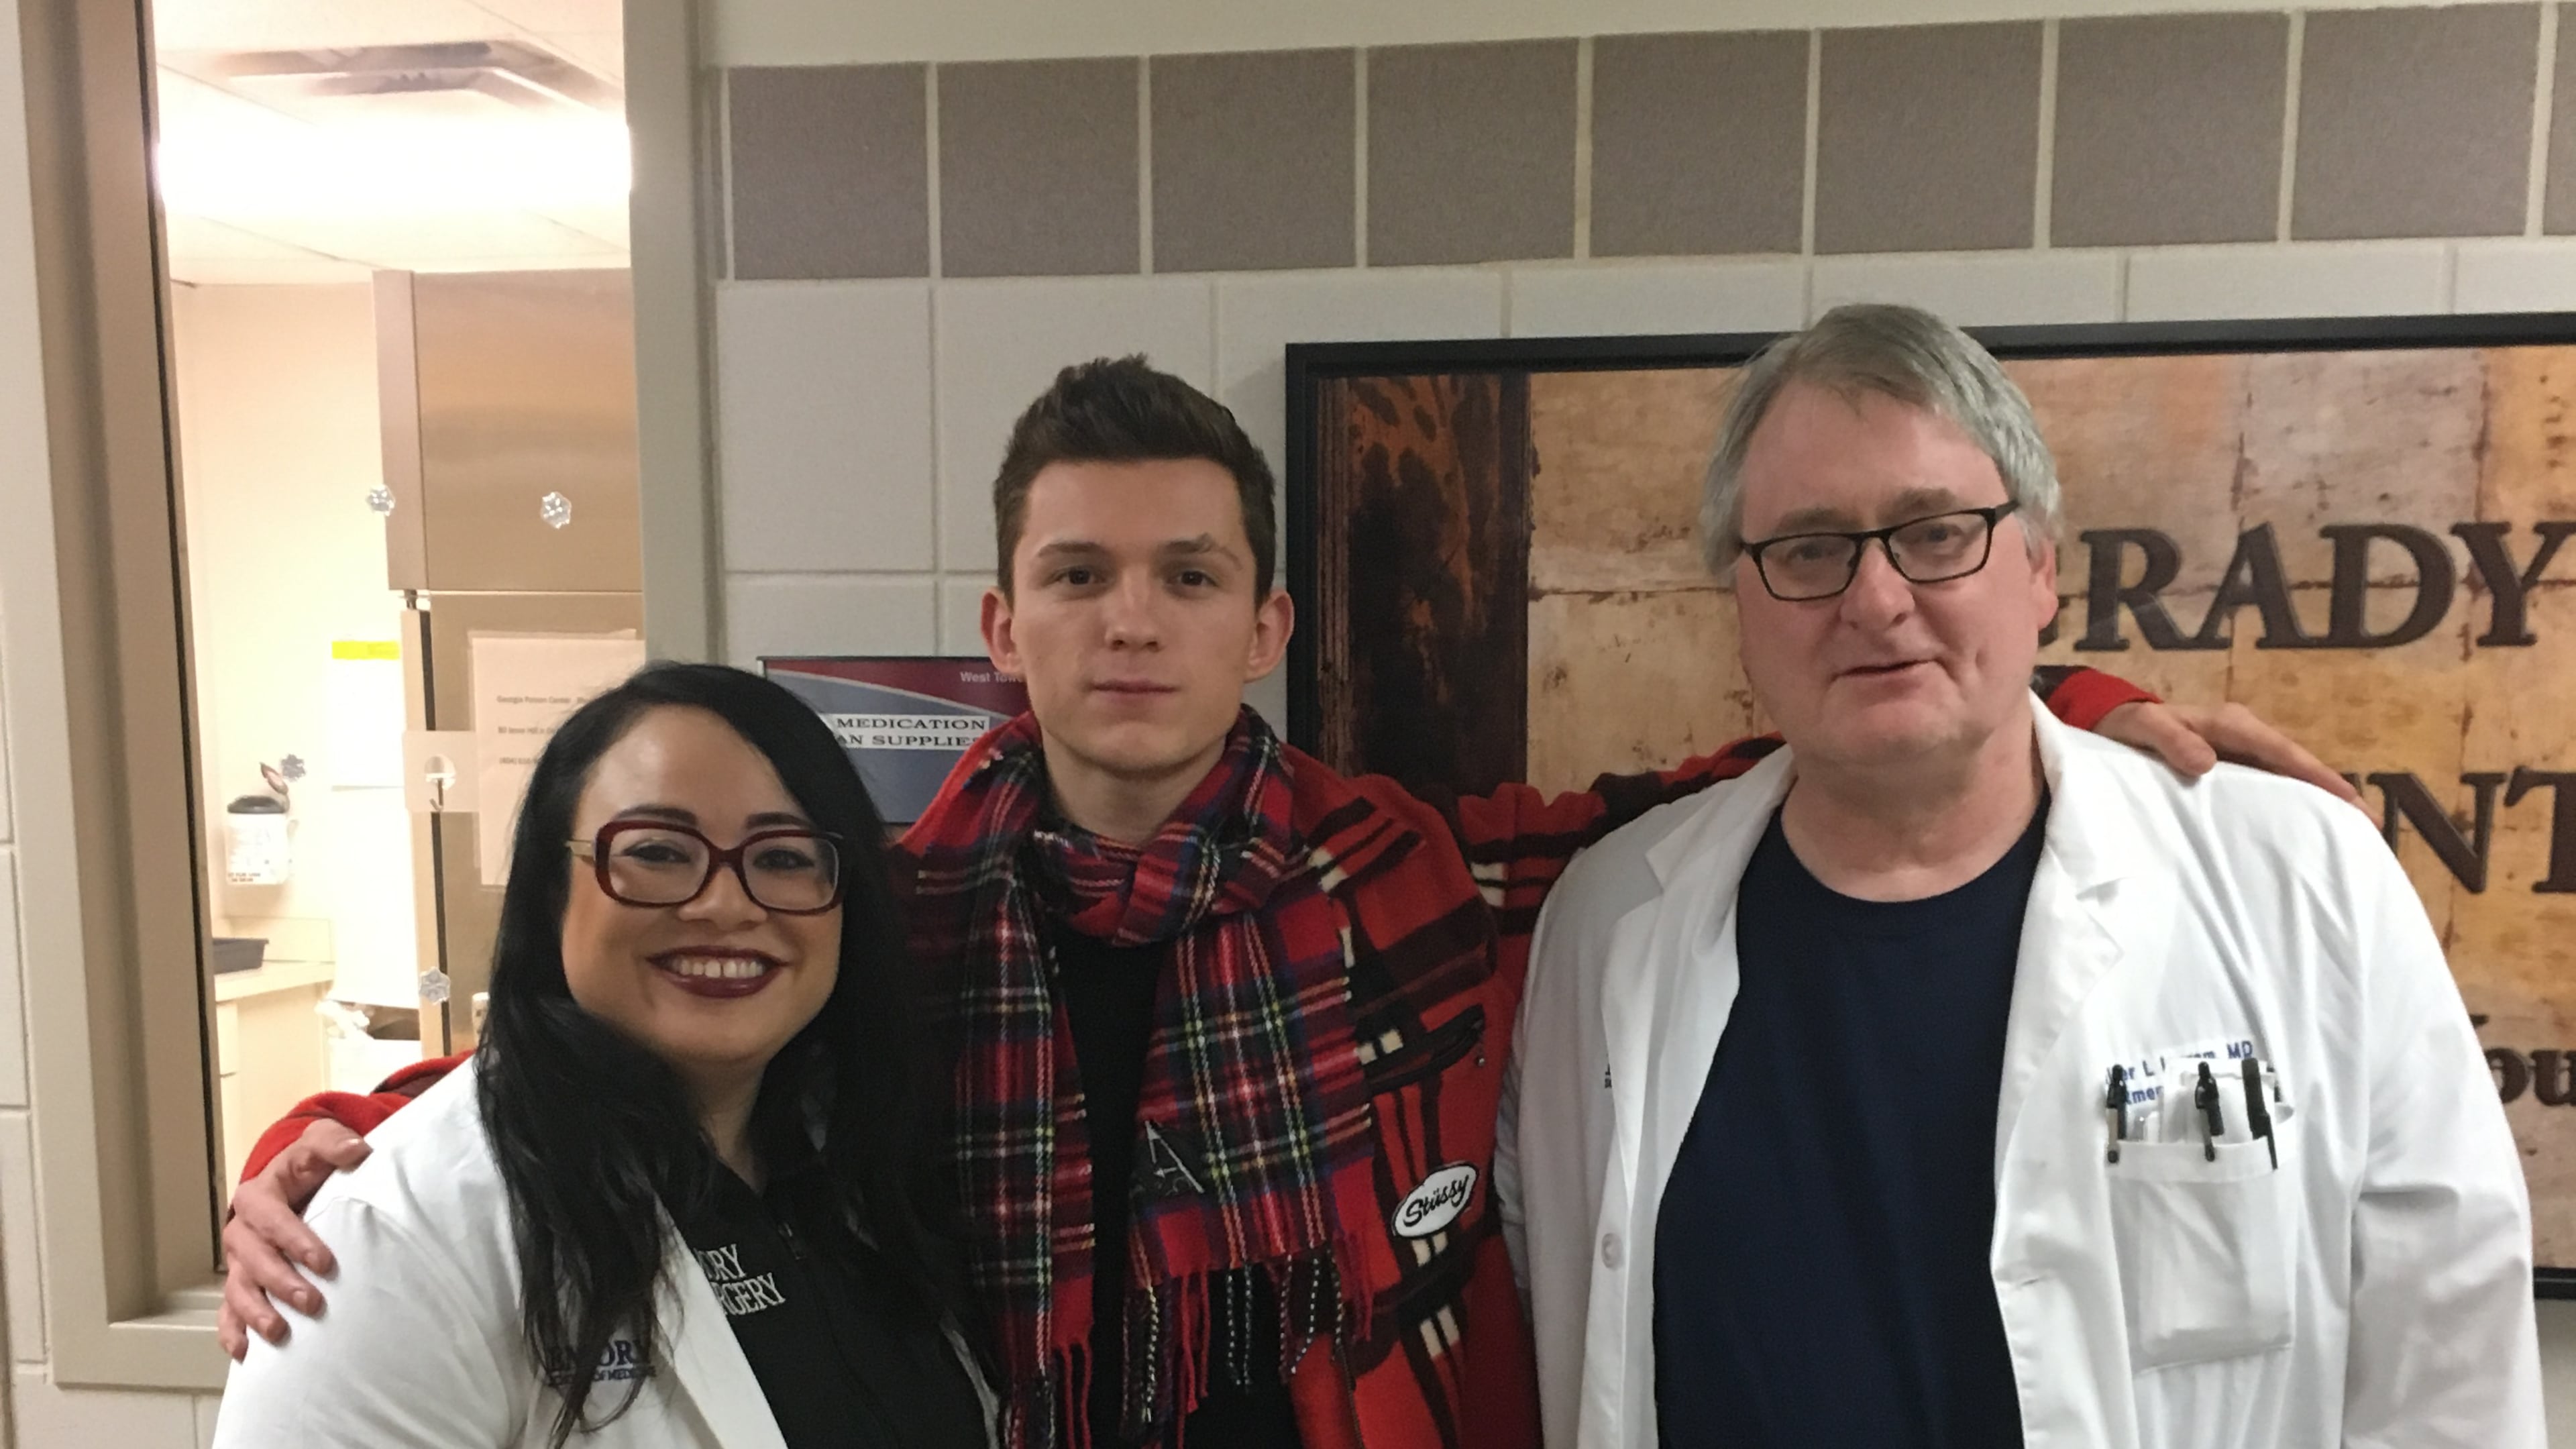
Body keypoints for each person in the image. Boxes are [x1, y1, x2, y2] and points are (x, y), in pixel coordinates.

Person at [213, 359, 2351, 1449]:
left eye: (1183, 577)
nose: (1128, 622)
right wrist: (312, 1153)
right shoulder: (888, 905)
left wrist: (2059, 693)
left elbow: (1757, 769)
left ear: (1268, 621)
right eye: (1077, 577)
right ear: (1001, 623)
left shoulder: (1414, 873)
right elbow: (634, 1029)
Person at [1497, 303, 2543, 1449]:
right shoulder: (1607, 928)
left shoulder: (2303, 883)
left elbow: (2451, 1367)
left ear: (2040, 566)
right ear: (1740, 604)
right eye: (1809, 549)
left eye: (1935, 532)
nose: (1877, 598)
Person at [212, 663, 990, 1448]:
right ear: (552, 889)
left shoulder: (859, 1158)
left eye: (785, 858)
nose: (725, 903)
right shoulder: (387, 1250)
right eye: (656, 851)